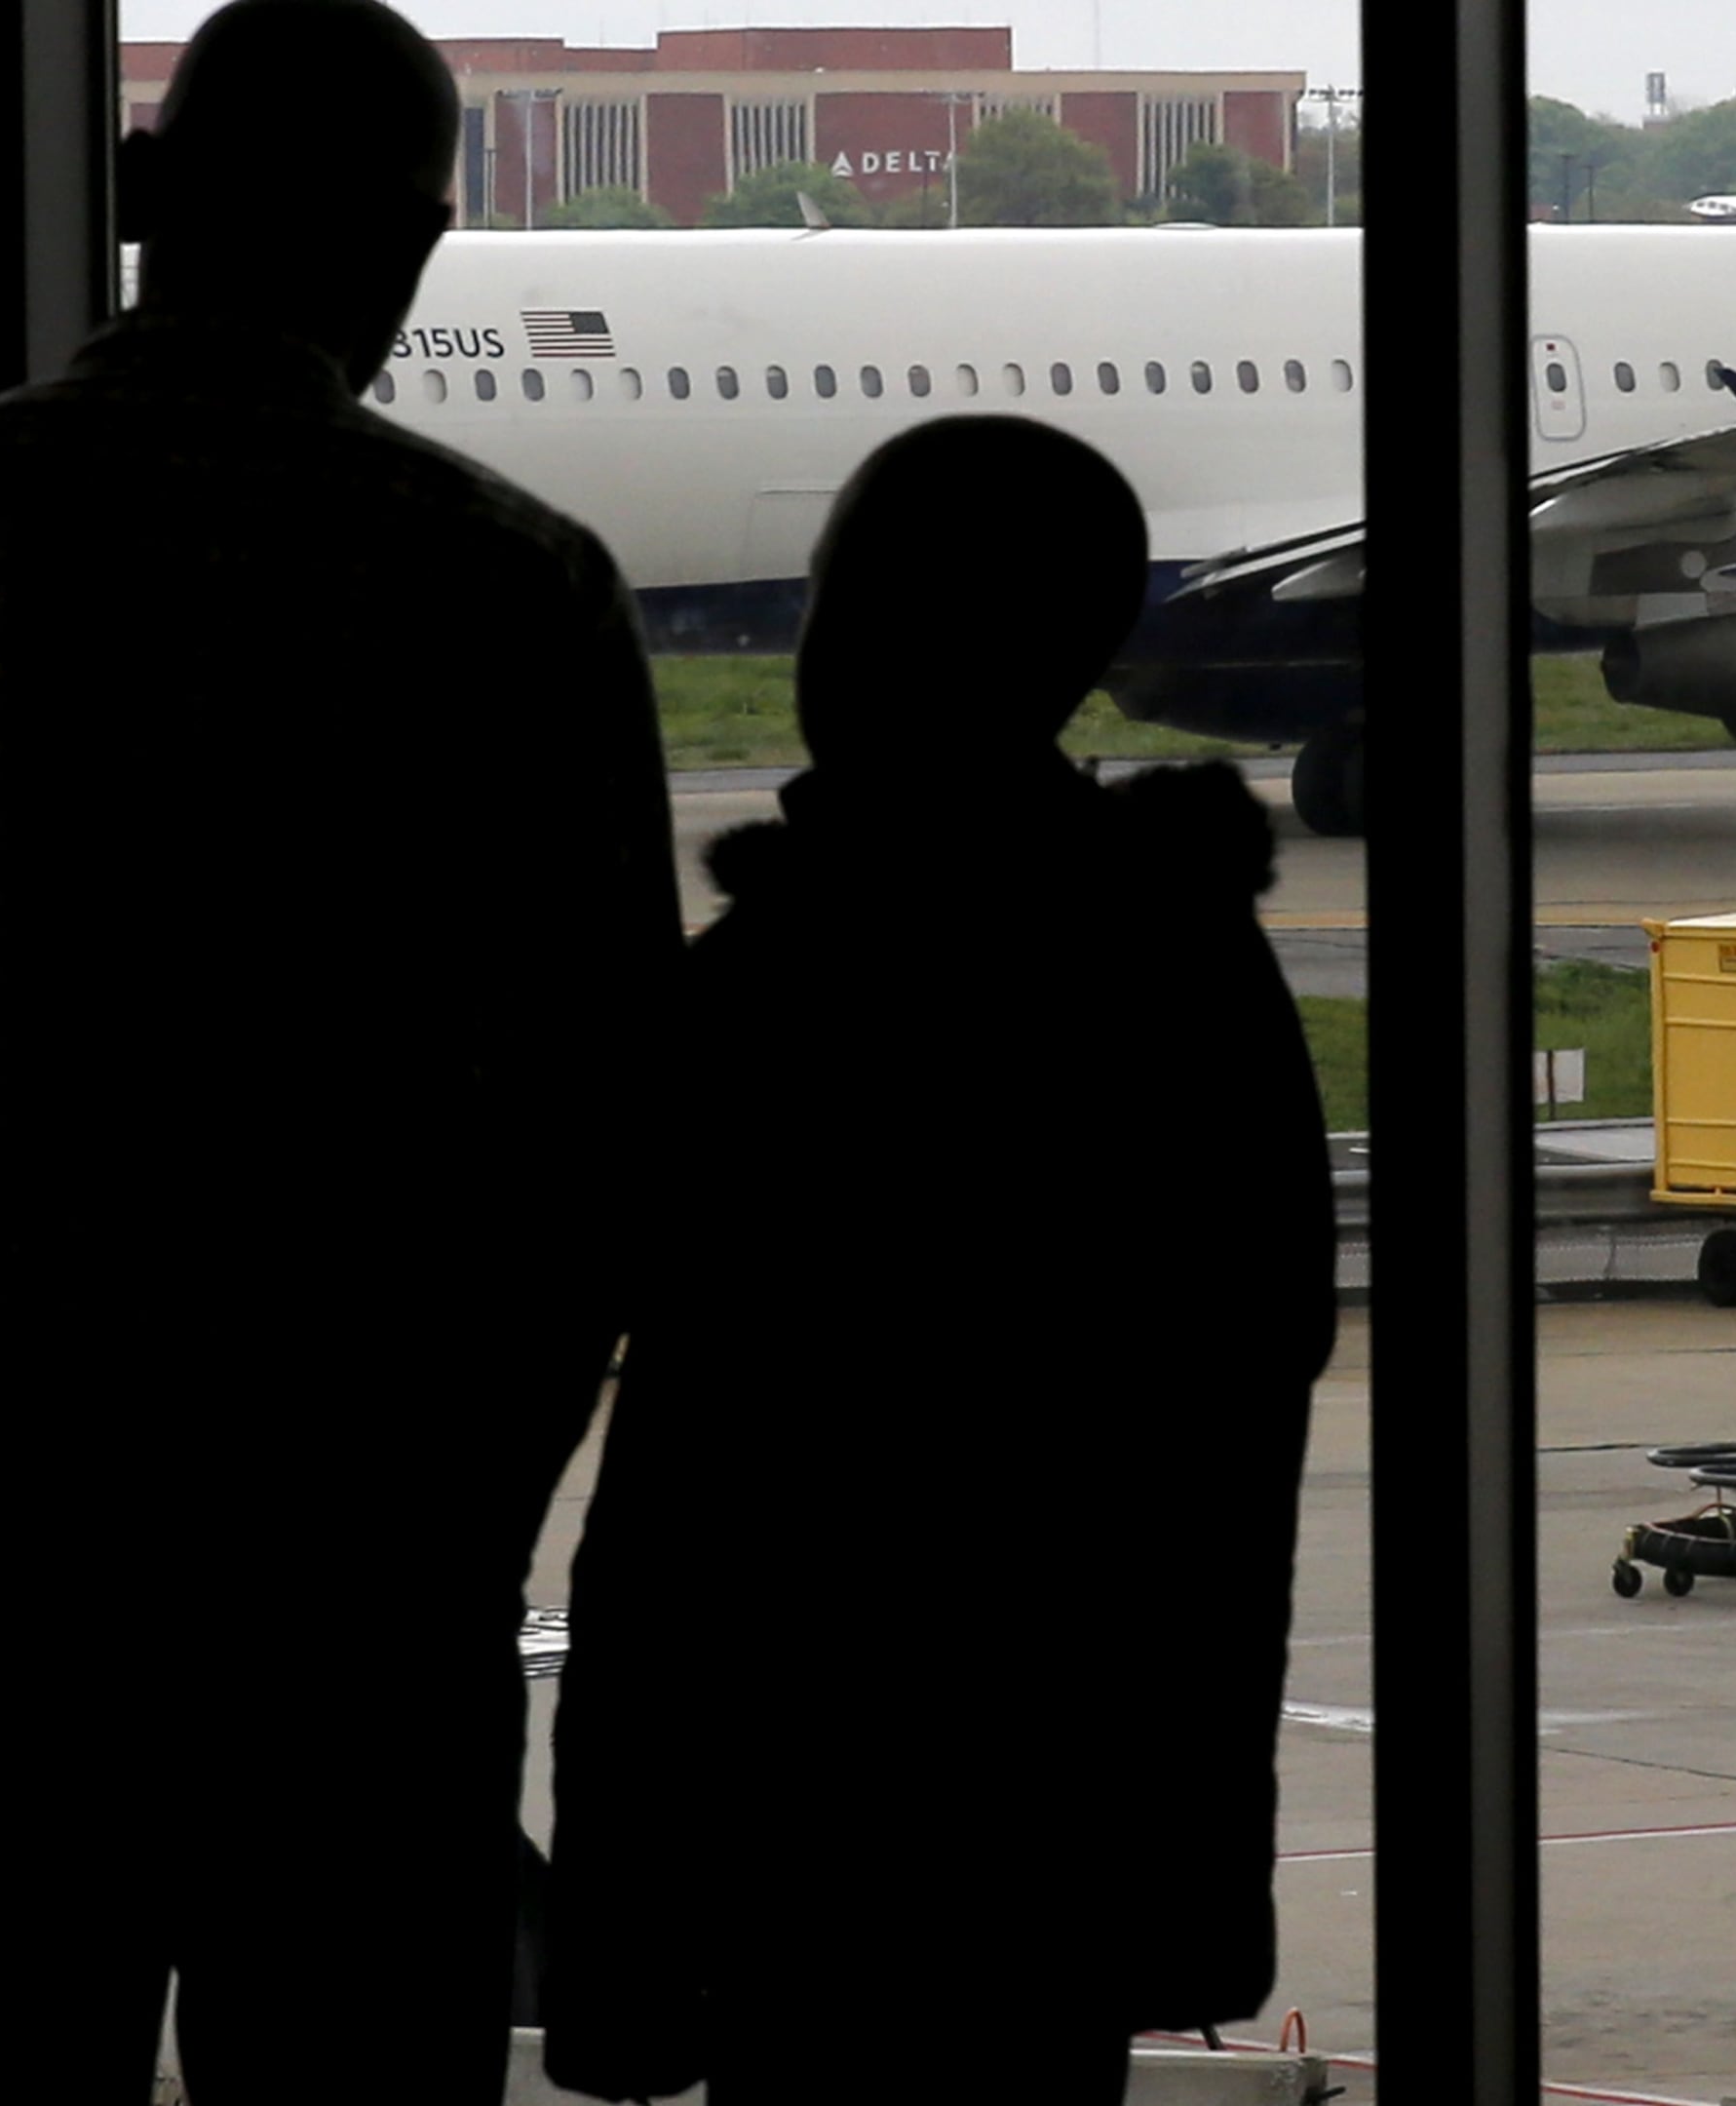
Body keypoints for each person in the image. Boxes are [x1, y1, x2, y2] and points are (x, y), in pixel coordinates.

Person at [0, 4, 679, 2095]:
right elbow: (612, 1154)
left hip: (16, 1583)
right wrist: (455, 1493)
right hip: (367, 1595)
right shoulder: (510, 593)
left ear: (134, 210)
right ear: (405, 251)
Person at [544, 418, 1333, 2106]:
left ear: (896, 631)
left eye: (837, 590)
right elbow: (1243, 1392)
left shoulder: (775, 1000)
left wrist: (616, 1909)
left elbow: (678, 1513)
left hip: (797, 1825)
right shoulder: (1192, 989)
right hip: (1076, 1821)